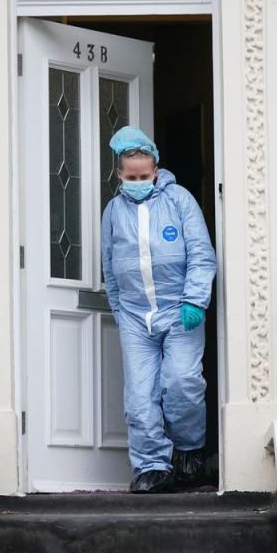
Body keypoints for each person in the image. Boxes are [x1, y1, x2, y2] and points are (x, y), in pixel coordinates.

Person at [100, 125, 217, 494]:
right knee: (139, 396)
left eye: (144, 175)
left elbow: (201, 253)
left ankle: (188, 454)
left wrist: (195, 300)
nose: (138, 181)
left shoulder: (179, 200)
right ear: (120, 174)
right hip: (136, 316)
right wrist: (120, 310)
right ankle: (152, 467)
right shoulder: (114, 211)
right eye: (131, 176)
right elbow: (109, 265)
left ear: (155, 168)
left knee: (182, 382)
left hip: (179, 309)